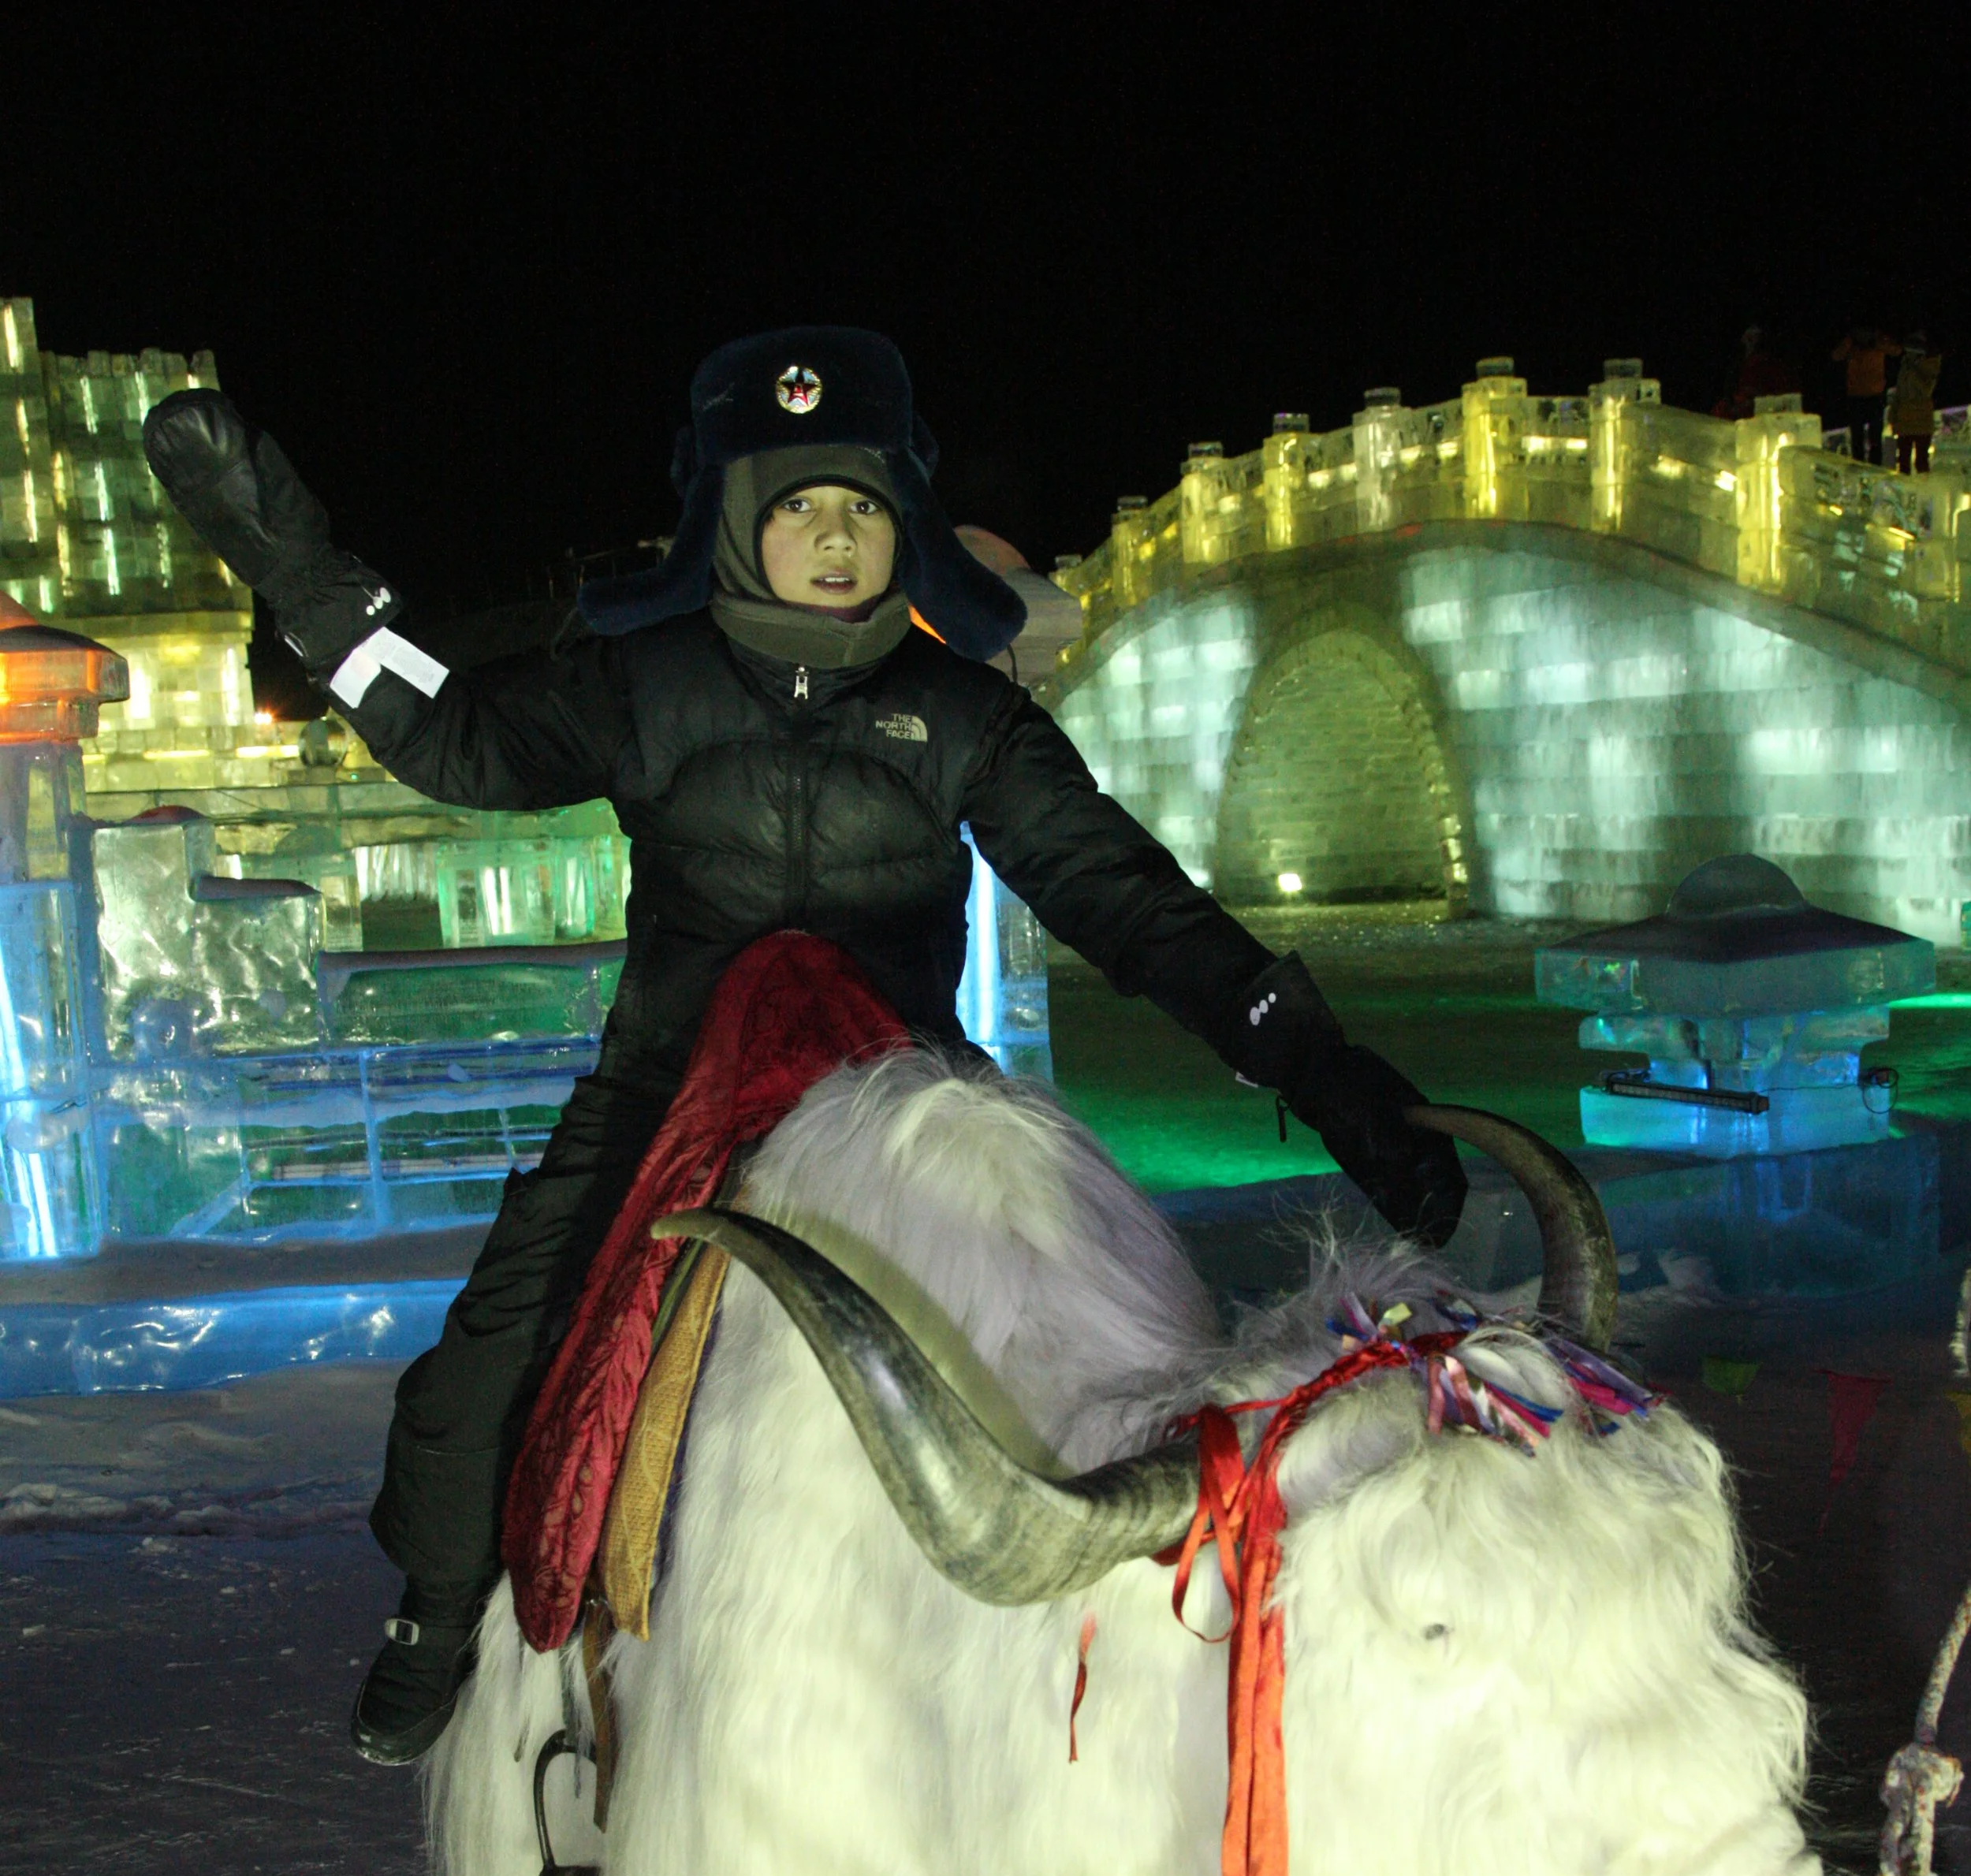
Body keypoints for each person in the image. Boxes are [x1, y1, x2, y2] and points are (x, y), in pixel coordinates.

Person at [143, 328, 1466, 1762]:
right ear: (735, 519)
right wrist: (296, 570)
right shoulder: (646, 684)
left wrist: (1323, 1067)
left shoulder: (963, 716)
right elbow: (456, 735)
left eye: (864, 509)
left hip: (902, 1099)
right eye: (798, 508)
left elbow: (1127, 900)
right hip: (667, 1092)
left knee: (1101, 1352)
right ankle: (441, 1611)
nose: (835, 542)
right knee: (481, 1381)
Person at [1830, 327, 1898, 463]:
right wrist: (1850, 343)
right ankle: (1859, 467)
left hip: (1875, 395)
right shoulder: (1851, 341)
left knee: (1875, 439)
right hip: (1856, 397)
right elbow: (1836, 356)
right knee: (1857, 439)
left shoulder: (1879, 339)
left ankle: (1875, 469)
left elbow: (1896, 351)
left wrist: (1875, 343)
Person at [1887, 331, 1943, 473]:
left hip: (1921, 420)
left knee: (1921, 461)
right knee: (1904, 461)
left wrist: (1914, 368)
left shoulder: (1930, 367)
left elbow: (1925, 390)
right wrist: (1893, 416)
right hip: (1906, 419)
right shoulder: (1906, 365)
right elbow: (1900, 391)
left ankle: (1925, 492)